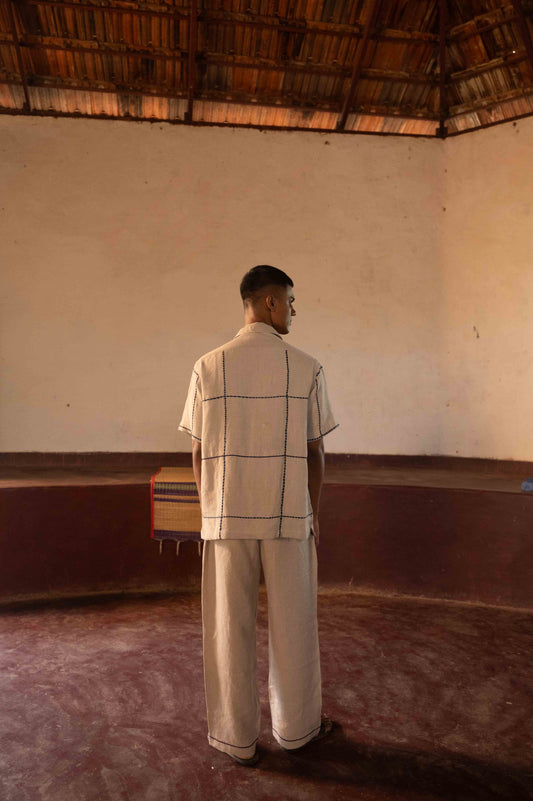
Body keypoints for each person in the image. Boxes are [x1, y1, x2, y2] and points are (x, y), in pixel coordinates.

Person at [178, 265, 338, 766]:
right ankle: (297, 732)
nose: (294, 309)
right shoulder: (307, 366)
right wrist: (311, 512)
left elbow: (198, 454)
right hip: (288, 515)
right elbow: (315, 452)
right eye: (291, 300)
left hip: (225, 518)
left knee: (227, 629)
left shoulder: (207, 367)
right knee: (295, 626)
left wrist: (211, 512)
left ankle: (235, 739)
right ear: (269, 303)